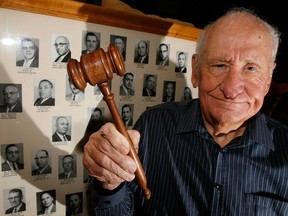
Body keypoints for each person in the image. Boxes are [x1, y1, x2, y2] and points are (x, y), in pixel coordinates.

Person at [82, 8, 288, 215]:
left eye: (251, 68)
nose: (231, 89)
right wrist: (109, 185)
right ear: (196, 70)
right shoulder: (153, 125)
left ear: (268, 80)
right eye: (219, 65)